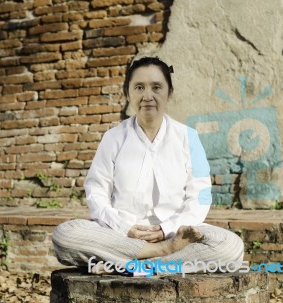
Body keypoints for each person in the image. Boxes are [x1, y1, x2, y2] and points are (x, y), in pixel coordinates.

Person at [52, 56, 244, 275]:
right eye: (139, 87)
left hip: (177, 235)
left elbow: (200, 196)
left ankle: (126, 266)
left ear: (169, 92)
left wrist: (166, 230)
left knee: (231, 246)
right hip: (121, 236)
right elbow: (96, 191)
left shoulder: (189, 137)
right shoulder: (113, 138)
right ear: (128, 94)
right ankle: (160, 256)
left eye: (156, 87)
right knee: (65, 235)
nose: (147, 96)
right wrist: (125, 228)